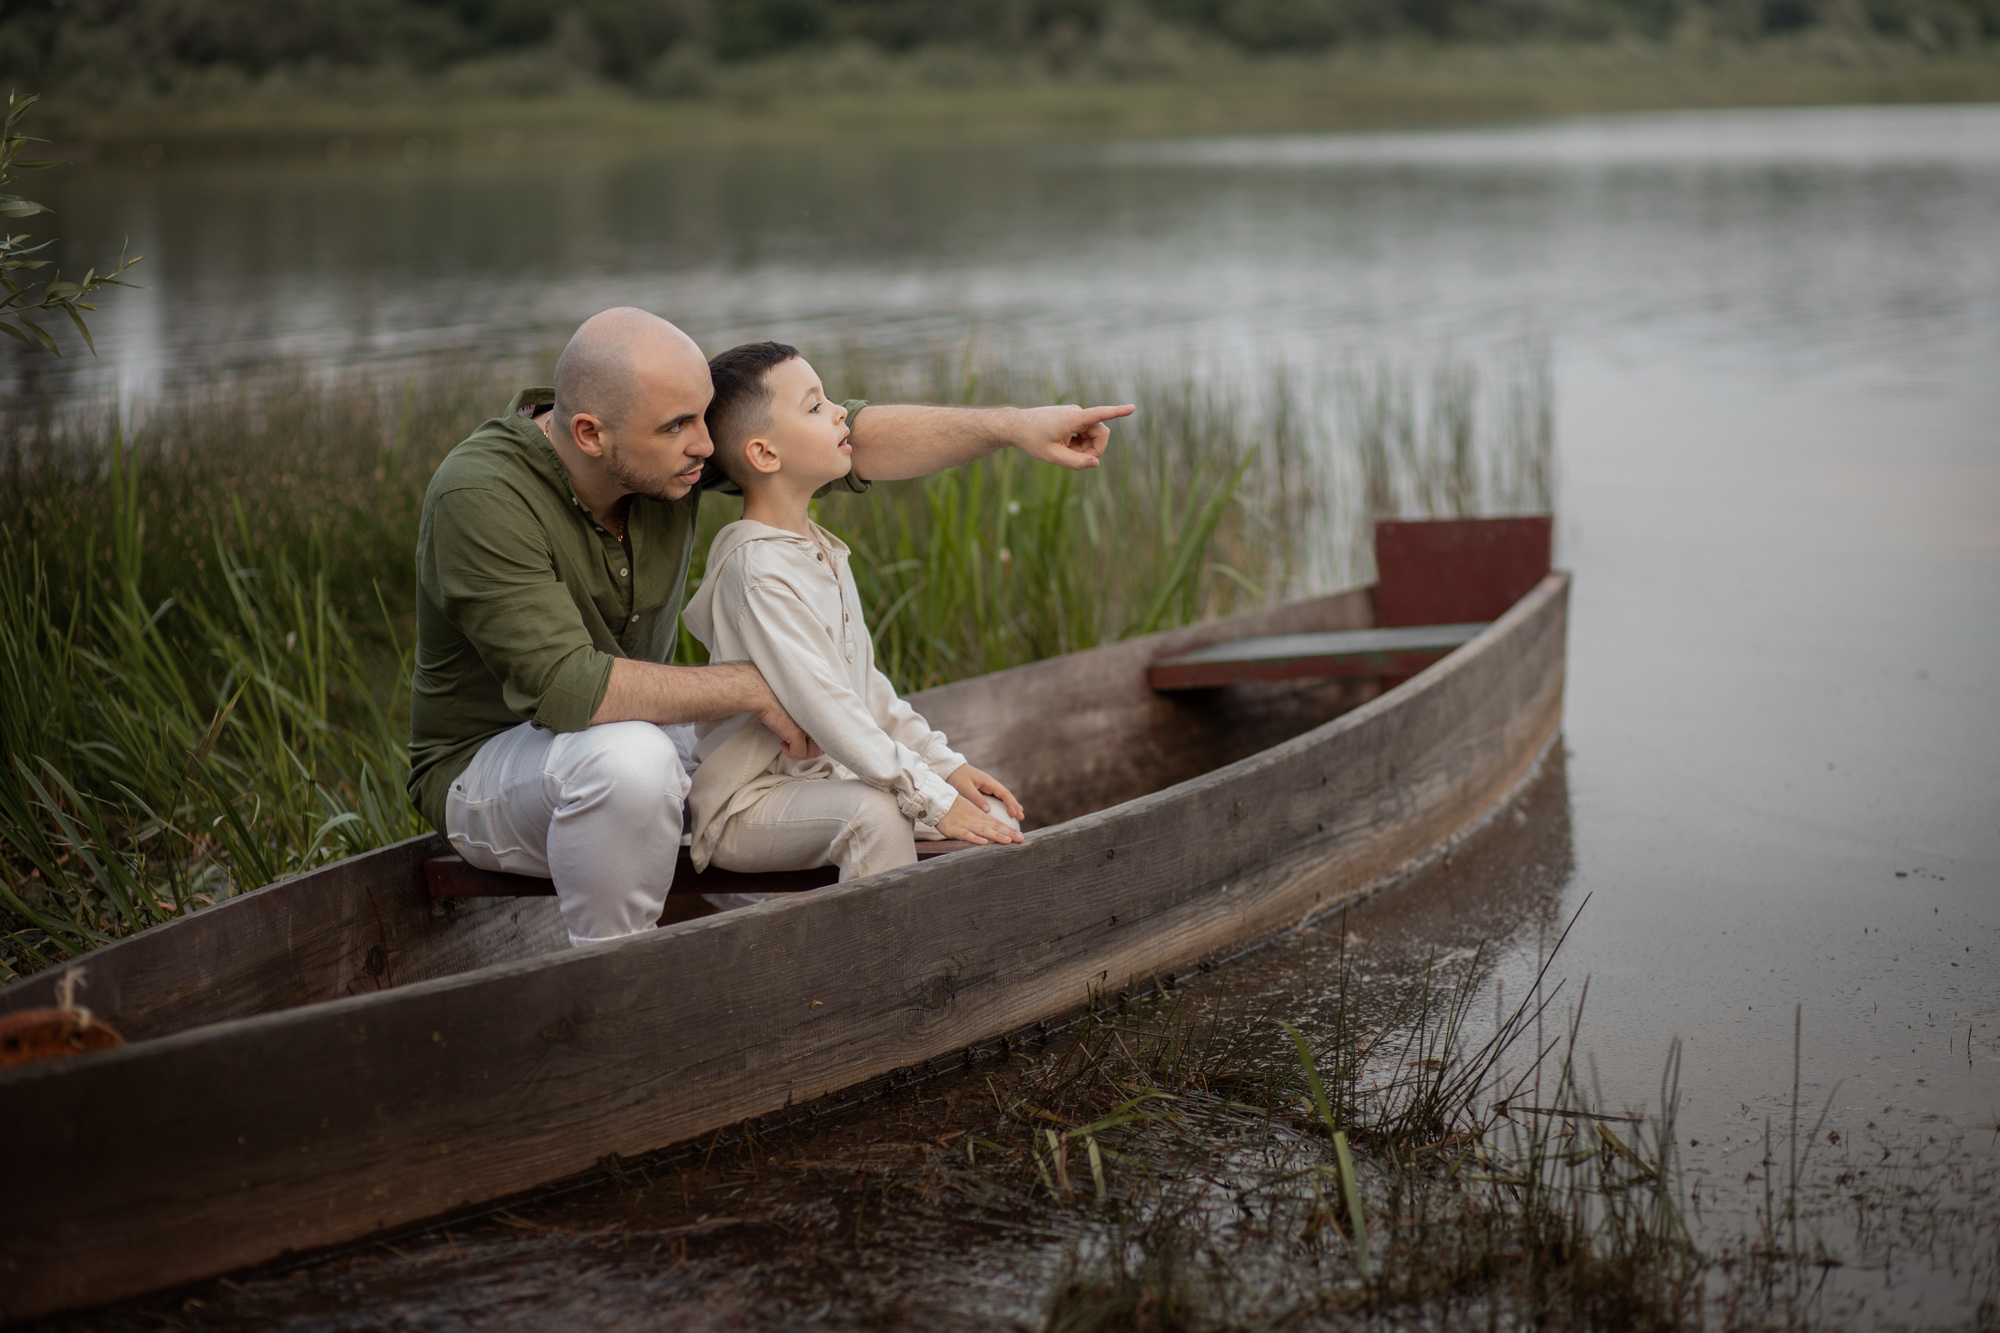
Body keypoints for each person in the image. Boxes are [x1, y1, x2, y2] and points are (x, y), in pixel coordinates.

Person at [409, 307, 1132, 947]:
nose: (704, 446)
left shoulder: (667, 455)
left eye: (703, 418)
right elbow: (568, 691)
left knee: (788, 759)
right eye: (680, 427)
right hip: (495, 771)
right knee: (632, 763)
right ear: (591, 434)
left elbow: (846, 436)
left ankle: (772, 940)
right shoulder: (482, 494)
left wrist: (1013, 427)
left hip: (647, 734)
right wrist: (752, 685)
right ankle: (617, 982)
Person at [681, 342, 1024, 905]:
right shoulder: (758, 570)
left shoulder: (818, 551)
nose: (841, 412)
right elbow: (829, 710)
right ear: (765, 454)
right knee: (879, 813)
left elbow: (864, 692)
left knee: (983, 812)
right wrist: (932, 798)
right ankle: (880, 978)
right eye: (815, 407)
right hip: (748, 805)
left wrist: (946, 766)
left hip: (821, 784)